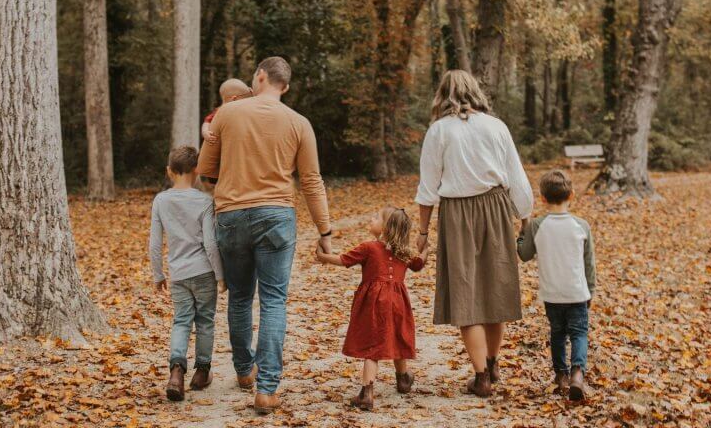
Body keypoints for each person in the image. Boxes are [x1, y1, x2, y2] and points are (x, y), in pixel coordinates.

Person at [197, 56, 333, 414]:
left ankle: (244, 371)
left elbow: (205, 171)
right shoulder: (299, 123)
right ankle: (267, 390)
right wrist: (325, 231)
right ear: (284, 86)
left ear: (259, 76)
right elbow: (311, 182)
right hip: (276, 215)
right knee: (274, 301)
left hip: (231, 215)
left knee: (240, 297)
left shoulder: (227, 114)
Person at [414, 70, 534, 398]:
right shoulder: (497, 127)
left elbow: (428, 188)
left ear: (443, 94)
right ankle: (493, 364)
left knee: (466, 295)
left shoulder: (438, 131)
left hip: (456, 214)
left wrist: (422, 233)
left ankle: (481, 376)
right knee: (496, 290)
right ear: (474, 91)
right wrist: (525, 221)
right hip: (496, 210)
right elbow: (517, 178)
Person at [315, 207, 430, 411]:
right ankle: (403, 378)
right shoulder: (404, 252)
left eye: (376, 217)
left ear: (385, 228)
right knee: (398, 337)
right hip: (398, 303)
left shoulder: (369, 247)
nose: (371, 218)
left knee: (373, 347)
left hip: (374, 304)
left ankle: (366, 392)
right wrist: (425, 248)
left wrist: (323, 257)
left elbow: (343, 260)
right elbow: (419, 263)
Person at [148, 146, 226, 403]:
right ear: (196, 171)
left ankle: (176, 372)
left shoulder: (161, 200)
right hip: (204, 271)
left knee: (181, 321)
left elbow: (155, 243)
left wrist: (158, 274)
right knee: (205, 321)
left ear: (169, 171)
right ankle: (202, 372)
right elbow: (211, 243)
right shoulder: (205, 201)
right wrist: (220, 275)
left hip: (179, 274)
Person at [517, 169, 596, 401]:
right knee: (580, 333)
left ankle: (561, 375)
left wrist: (521, 235)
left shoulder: (537, 225)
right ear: (571, 195)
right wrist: (590, 290)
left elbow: (524, 255)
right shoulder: (581, 225)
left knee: (558, 334)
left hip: (552, 294)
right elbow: (588, 262)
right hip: (577, 292)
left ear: (542, 198)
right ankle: (578, 373)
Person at [201, 78, 252, 144]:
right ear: (234, 99)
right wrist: (205, 132)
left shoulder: (239, 110)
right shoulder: (220, 112)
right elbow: (207, 121)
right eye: (245, 101)